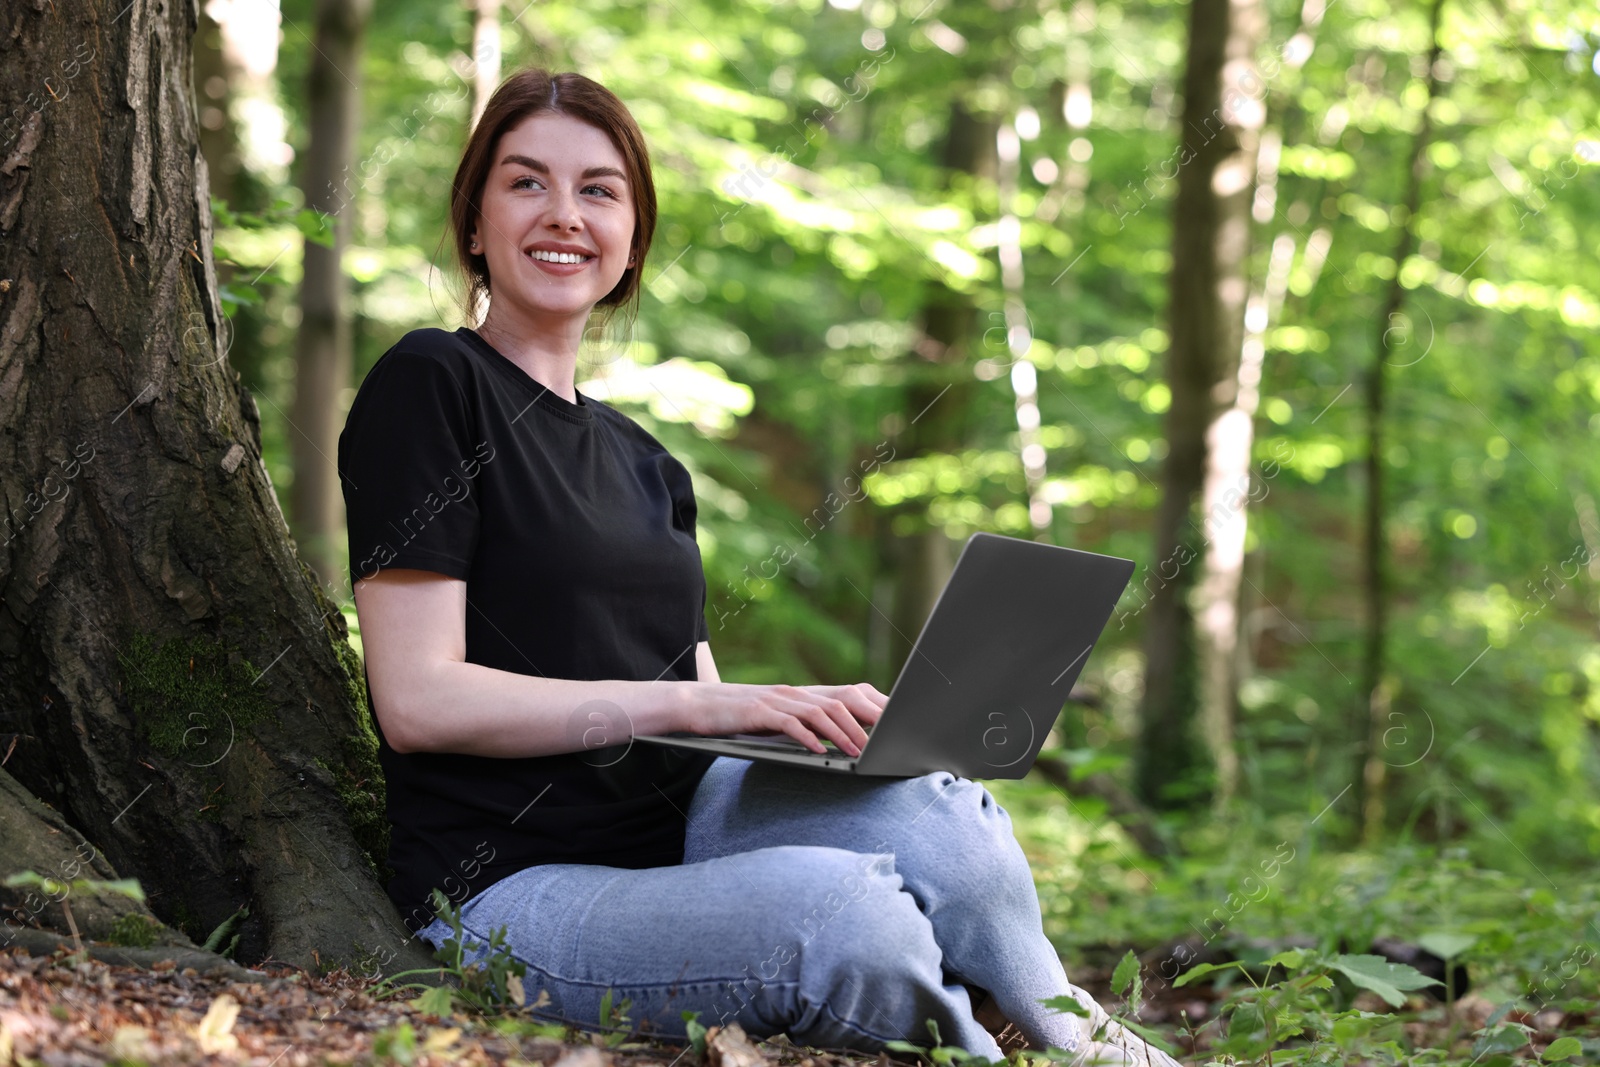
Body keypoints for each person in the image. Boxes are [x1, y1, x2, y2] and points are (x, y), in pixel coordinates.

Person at [337, 68, 1179, 1067]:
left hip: (685, 832)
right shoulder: (431, 385)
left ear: (634, 238)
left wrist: (812, 727)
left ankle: (1073, 1030)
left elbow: (698, 698)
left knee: (938, 808)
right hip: (508, 885)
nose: (564, 214)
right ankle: (976, 1047)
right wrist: (695, 708)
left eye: (599, 191)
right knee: (841, 918)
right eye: (526, 183)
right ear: (475, 222)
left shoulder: (649, 462)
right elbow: (418, 701)